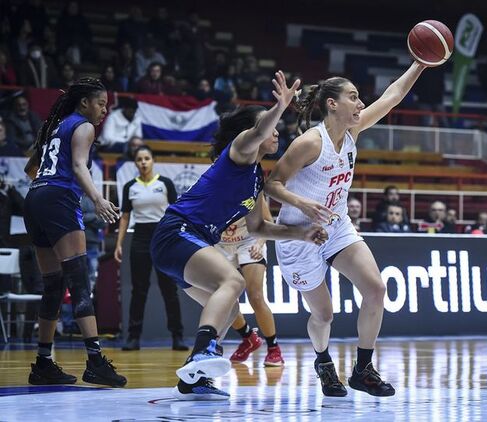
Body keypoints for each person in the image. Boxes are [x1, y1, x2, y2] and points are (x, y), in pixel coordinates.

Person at [150, 71, 327, 400]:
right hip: (177, 232)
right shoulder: (239, 153)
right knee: (233, 282)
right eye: (271, 127)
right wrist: (280, 106)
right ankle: (204, 353)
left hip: (189, 242)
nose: (276, 132)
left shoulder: (257, 178)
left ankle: (194, 377)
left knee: (230, 309)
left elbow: (259, 227)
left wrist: (303, 233)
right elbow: (259, 130)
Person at [264, 61, 428, 397]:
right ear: (332, 104)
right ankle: (323, 361)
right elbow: (271, 184)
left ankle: (362, 370)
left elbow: (393, 96)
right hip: (299, 235)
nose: (361, 104)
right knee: (324, 314)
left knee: (376, 290)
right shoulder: (310, 143)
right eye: (354, 97)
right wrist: (303, 204)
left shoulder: (353, 131)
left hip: (336, 224)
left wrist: (420, 63)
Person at [22, 78, 126, 387]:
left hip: (35, 197)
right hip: (57, 199)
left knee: (53, 285)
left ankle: (43, 363)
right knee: (79, 282)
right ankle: (95, 361)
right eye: (101, 103)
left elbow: (34, 169)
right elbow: (80, 167)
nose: (105, 110)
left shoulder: (56, 126)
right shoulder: (83, 126)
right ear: (84, 104)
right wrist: (98, 199)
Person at [115, 145, 187, 351]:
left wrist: (177, 238)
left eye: (147, 158)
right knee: (139, 290)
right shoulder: (130, 186)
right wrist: (118, 244)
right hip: (139, 239)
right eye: (139, 159)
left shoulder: (165, 183)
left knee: (169, 290)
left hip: (163, 239)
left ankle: (177, 336)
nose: (143, 162)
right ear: (135, 163)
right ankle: (133, 337)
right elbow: (125, 217)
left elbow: (176, 213)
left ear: (153, 160)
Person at [215, 204, 284, 367]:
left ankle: (274, 349)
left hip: (250, 242)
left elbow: (267, 221)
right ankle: (248, 338)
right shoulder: (212, 188)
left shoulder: (250, 187)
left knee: (256, 296)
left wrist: (260, 244)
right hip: (221, 244)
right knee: (224, 300)